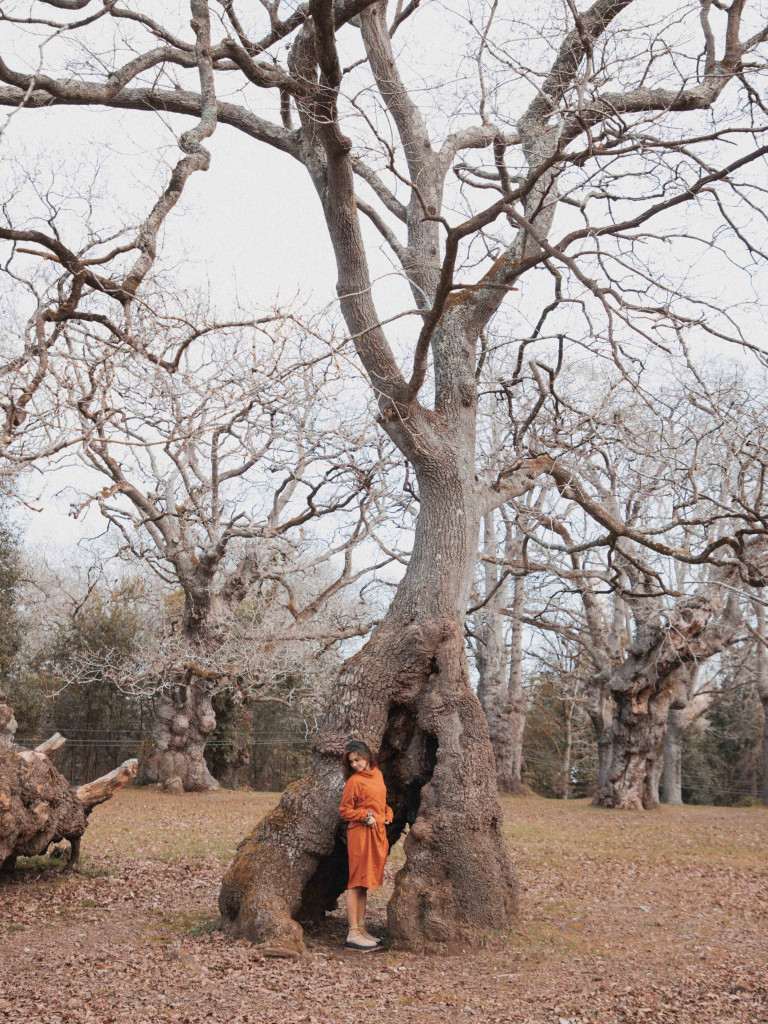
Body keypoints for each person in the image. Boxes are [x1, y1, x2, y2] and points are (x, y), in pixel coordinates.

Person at [339, 740, 393, 951]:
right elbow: (344, 811)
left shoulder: (377, 775)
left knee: (364, 882)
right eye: (351, 762)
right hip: (360, 834)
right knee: (355, 882)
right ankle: (353, 934)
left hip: (377, 833)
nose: (355, 765)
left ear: (367, 756)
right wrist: (364, 815)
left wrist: (387, 814)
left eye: (357, 760)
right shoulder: (354, 781)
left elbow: (382, 802)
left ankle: (362, 930)